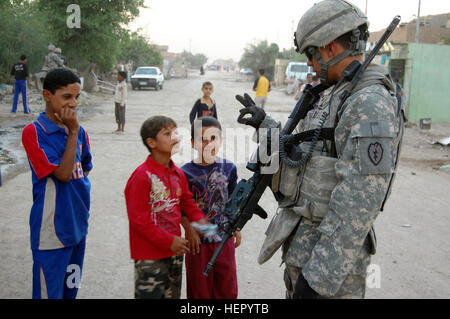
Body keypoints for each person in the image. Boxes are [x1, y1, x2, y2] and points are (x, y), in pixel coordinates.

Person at [237, 0, 405, 299]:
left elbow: (359, 201)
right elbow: (306, 151)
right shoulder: (337, 91)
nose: (310, 64)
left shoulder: (369, 102)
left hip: (330, 272)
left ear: (330, 48)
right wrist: (267, 125)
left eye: (311, 54)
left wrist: (317, 281)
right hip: (305, 250)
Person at [21, 68, 93, 299]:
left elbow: (85, 168)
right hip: (51, 233)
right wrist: (72, 133)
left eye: (76, 97)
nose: (73, 104)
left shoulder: (80, 132)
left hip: (77, 227)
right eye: (66, 97)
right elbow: (62, 174)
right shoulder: (35, 132)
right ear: (47, 95)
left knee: (70, 291)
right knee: (50, 293)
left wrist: (75, 132)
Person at [124, 115, 210, 299]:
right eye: (167, 133)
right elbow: (139, 220)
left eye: (175, 132)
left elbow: (186, 201)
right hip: (150, 256)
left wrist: (199, 220)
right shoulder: (141, 176)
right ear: (151, 142)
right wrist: (169, 241)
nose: (176, 137)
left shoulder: (177, 173)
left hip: (175, 252)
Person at [180, 116, 241, 299]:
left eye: (213, 138)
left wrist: (236, 227)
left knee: (227, 289)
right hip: (198, 243)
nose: (208, 143)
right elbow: (181, 207)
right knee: (200, 292)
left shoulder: (229, 168)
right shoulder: (184, 173)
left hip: (224, 239)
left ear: (220, 140)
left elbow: (233, 201)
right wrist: (188, 228)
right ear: (192, 142)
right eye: (202, 139)